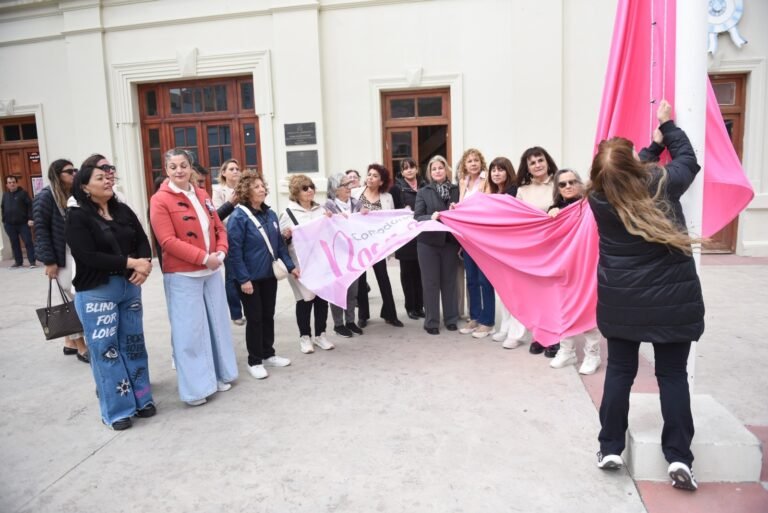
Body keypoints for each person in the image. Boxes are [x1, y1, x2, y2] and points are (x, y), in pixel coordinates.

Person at [589, 100, 703, 492]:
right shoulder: (661, 183)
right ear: (634, 166)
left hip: (623, 302)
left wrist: (651, 151)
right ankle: (679, 458)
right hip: (673, 302)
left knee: (620, 373)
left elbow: (622, 174)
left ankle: (610, 448)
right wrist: (668, 127)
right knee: (672, 376)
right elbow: (688, 160)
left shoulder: (597, 199)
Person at [65, 155, 155, 430]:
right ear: (84, 186)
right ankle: (117, 410)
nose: (107, 180)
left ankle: (142, 398)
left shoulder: (123, 210)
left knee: (133, 344)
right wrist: (131, 262)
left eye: (108, 176)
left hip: (129, 288)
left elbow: (141, 238)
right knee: (106, 352)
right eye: (100, 178)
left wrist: (145, 264)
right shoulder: (77, 216)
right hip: (97, 292)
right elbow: (87, 255)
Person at [150, 148, 238, 407]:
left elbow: (218, 227)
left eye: (183, 165)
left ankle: (220, 374)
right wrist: (203, 257)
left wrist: (221, 250)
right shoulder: (160, 200)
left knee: (217, 325)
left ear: (191, 167)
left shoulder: (201, 193)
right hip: (183, 274)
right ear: (166, 170)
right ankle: (196, 387)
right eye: (173, 166)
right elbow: (167, 241)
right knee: (189, 332)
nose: (179, 170)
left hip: (211, 271)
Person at [227, 172, 297, 379]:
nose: (262, 189)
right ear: (246, 191)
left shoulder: (271, 214)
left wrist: (291, 266)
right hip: (250, 279)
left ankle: (268, 353)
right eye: (256, 187)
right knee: (255, 318)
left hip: (269, 276)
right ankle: (254, 360)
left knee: (268, 315)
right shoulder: (238, 217)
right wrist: (243, 279)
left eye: (262, 186)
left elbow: (279, 246)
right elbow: (234, 252)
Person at [546, 169, 602, 375]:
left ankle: (592, 354)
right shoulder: (556, 211)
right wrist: (552, 213)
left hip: (589, 266)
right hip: (565, 268)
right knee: (564, 309)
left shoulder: (592, 204)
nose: (568, 186)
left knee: (589, 311)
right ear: (558, 189)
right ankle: (567, 351)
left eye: (572, 182)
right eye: (562, 184)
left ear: (580, 183)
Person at [33, 159, 88, 362]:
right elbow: (41, 231)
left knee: (67, 298)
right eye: (68, 171)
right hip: (60, 256)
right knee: (72, 299)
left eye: (75, 170)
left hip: (75, 253)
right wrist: (49, 261)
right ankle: (81, 346)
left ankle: (69, 342)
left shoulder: (73, 194)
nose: (74, 174)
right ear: (57, 175)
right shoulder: (45, 197)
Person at [279, 174, 335, 354]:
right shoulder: (288, 213)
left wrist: (331, 220)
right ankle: (305, 337)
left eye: (311, 187)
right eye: (305, 188)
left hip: (321, 264)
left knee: (321, 300)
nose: (310, 190)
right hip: (300, 266)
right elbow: (279, 242)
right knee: (305, 300)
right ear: (296, 192)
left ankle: (320, 335)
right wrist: (285, 235)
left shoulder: (321, 210)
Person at [517, 146, 559, 357]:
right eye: (532, 162)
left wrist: (558, 208)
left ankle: (556, 337)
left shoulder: (560, 183)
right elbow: (516, 219)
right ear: (527, 168)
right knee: (535, 293)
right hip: (532, 248)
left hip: (555, 246)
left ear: (547, 160)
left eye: (540, 160)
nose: (537, 165)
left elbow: (573, 204)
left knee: (553, 292)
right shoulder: (522, 190)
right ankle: (540, 335)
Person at [413, 155, 460, 335]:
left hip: (450, 242)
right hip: (428, 243)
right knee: (430, 282)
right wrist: (430, 217)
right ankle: (431, 321)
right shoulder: (424, 191)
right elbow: (417, 217)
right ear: (430, 173)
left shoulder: (456, 189)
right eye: (434, 169)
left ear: (446, 169)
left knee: (449, 282)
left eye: (440, 167)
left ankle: (451, 319)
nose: (438, 171)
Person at [352, 164, 404, 328]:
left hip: (378, 245)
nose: (370, 178)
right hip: (359, 243)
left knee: (383, 278)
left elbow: (392, 219)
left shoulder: (387, 197)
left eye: (374, 176)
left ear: (381, 181)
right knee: (360, 280)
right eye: (369, 175)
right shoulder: (355, 193)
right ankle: (363, 316)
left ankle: (390, 314)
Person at [483, 157, 527, 349]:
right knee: (503, 290)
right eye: (493, 170)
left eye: (501, 170)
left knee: (515, 291)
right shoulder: (494, 193)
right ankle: (506, 326)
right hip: (496, 248)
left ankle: (516, 333)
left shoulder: (514, 191)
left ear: (508, 172)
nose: (496, 173)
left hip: (513, 247)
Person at [456, 148, 495, 338]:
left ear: (481, 163)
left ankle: (488, 322)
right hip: (466, 237)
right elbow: (461, 206)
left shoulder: (486, 181)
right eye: (469, 161)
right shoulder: (463, 182)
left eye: (476, 160)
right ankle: (475, 317)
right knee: (471, 279)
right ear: (464, 165)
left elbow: (485, 206)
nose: (473, 163)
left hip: (482, 237)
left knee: (484, 279)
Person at [324, 172, 365, 338]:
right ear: (335, 189)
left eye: (350, 184)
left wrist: (366, 215)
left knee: (352, 290)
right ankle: (338, 324)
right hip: (336, 255)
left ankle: (350, 321)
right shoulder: (328, 206)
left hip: (353, 254)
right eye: (345, 185)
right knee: (338, 289)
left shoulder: (357, 203)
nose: (349, 188)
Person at [212, 158, 245, 326]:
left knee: (246, 273)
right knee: (232, 275)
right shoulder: (218, 191)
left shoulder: (245, 189)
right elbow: (216, 215)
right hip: (228, 237)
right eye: (231, 168)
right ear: (223, 173)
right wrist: (231, 202)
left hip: (246, 236)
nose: (235, 171)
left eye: (237, 168)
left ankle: (248, 306)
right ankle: (235, 312)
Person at [391, 158, 426, 320]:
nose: (409, 170)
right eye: (405, 168)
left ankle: (420, 306)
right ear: (402, 171)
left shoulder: (425, 185)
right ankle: (410, 307)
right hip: (405, 238)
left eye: (412, 167)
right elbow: (392, 212)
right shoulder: (396, 189)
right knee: (407, 274)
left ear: (416, 169)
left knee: (420, 273)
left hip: (421, 235)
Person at [2, 175, 36, 268]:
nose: (12, 184)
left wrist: (30, 219)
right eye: (9, 183)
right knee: (14, 243)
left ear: (16, 183)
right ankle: (18, 262)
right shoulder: (5, 195)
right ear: (7, 185)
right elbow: (3, 208)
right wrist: (4, 221)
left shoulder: (23, 194)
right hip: (9, 225)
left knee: (28, 242)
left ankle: (32, 262)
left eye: (13, 182)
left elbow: (30, 207)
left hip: (23, 224)